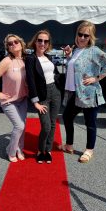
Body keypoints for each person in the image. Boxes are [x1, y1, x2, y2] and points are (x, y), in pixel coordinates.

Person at [60, 21, 106, 163]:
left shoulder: (94, 50)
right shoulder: (76, 50)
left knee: (90, 122)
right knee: (67, 117)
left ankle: (89, 150)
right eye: (80, 34)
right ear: (77, 34)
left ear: (91, 37)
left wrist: (97, 78)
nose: (83, 38)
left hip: (89, 93)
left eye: (86, 35)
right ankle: (69, 145)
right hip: (74, 92)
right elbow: (75, 69)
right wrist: (68, 56)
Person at [0, 34, 28, 162]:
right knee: (19, 126)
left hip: (23, 99)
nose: (13, 44)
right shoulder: (7, 61)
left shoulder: (26, 59)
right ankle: (10, 151)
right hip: (9, 101)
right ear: (8, 48)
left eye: (15, 41)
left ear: (21, 43)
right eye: (10, 44)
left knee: (23, 126)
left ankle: (19, 149)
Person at [25, 30, 62, 164]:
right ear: (35, 42)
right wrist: (35, 102)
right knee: (46, 126)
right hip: (42, 95)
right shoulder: (30, 58)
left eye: (46, 41)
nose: (42, 43)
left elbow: (55, 73)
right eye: (40, 40)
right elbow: (30, 81)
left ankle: (48, 150)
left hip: (55, 92)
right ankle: (41, 150)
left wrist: (59, 85)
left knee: (53, 124)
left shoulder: (49, 57)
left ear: (48, 43)